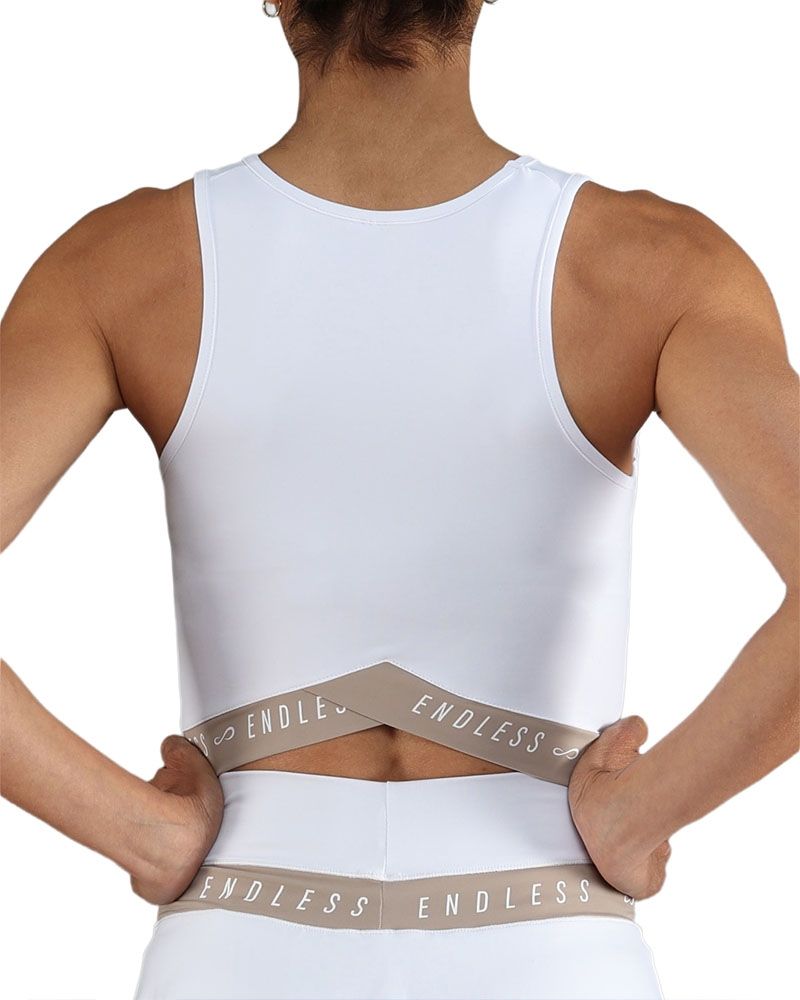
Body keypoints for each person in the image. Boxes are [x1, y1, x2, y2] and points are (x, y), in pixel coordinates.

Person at [1, 1, 797, 998]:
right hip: (548, 946)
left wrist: (138, 830)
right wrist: (638, 816)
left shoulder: (120, 268)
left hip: (239, 943)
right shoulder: (653, 267)